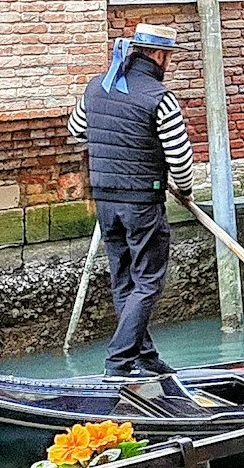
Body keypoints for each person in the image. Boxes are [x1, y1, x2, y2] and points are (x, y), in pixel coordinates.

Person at [67, 22, 196, 381]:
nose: (168, 62)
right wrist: (185, 190)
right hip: (141, 201)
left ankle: (145, 357)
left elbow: (77, 129)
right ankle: (119, 363)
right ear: (157, 55)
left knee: (124, 279)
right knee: (148, 281)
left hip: (105, 200)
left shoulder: (96, 87)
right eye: (168, 56)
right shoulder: (159, 97)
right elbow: (179, 157)